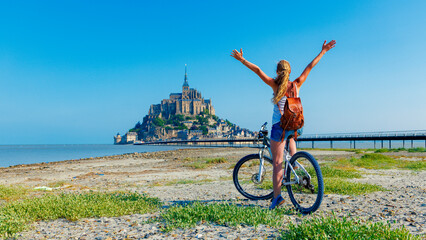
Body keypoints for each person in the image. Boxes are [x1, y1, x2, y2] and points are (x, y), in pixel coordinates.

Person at [231, 40, 336, 209]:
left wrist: (242, 60)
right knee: (291, 137)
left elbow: (258, 70)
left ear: (278, 72)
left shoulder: (275, 85)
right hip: (296, 125)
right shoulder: (297, 83)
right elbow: (310, 66)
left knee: (278, 162)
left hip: (279, 127)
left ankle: (277, 198)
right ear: (290, 71)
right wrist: (323, 51)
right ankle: (294, 162)